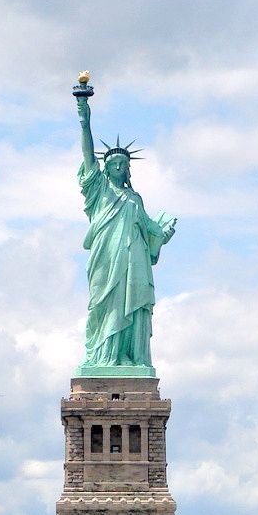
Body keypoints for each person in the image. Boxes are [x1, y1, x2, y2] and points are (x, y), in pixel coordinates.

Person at [74, 95, 176, 370]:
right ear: (105, 168)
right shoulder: (99, 192)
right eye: (114, 164)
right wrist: (85, 119)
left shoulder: (135, 199)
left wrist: (164, 234)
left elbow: (150, 229)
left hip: (134, 262)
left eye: (124, 164)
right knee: (105, 306)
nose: (120, 167)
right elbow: (87, 155)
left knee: (131, 305)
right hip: (106, 259)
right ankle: (104, 357)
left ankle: (129, 357)